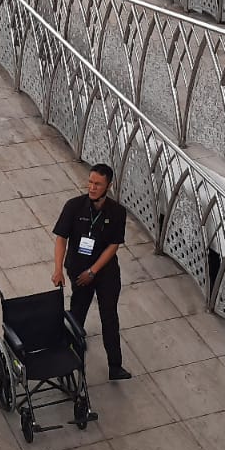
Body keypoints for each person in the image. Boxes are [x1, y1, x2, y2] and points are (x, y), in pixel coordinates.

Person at [52, 163, 130, 380]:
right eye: (90, 182)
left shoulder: (117, 212)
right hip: (78, 268)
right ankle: (67, 364)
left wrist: (93, 271)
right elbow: (61, 239)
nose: (92, 187)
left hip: (104, 272)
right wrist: (58, 269)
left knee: (109, 317)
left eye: (98, 184)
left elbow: (113, 245)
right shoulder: (74, 207)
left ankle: (115, 366)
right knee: (77, 312)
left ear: (108, 186)